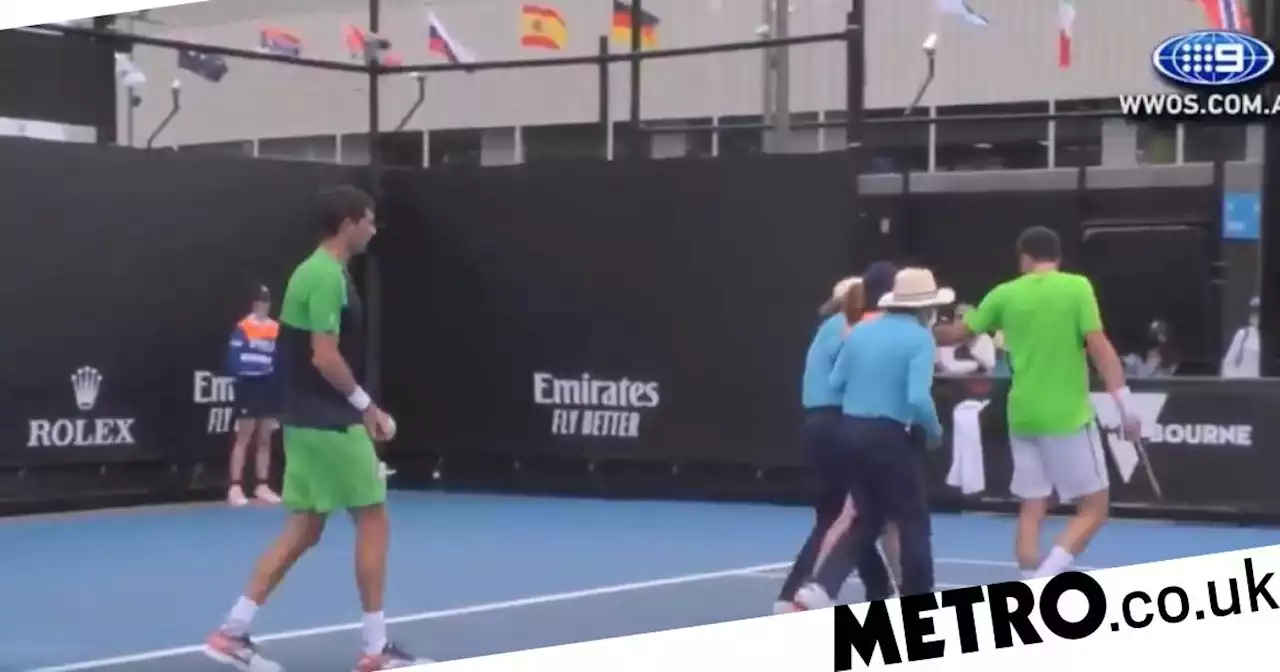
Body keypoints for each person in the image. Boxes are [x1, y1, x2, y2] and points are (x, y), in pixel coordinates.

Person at [204, 186, 420, 672]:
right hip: (329, 423)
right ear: (347, 224)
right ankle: (375, 648)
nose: (373, 228)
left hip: (305, 421)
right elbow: (323, 356)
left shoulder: (316, 271)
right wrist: (367, 407)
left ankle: (232, 632)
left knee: (304, 529)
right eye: (368, 220)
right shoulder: (324, 276)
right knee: (373, 519)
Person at [934, 226, 1139, 579]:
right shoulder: (1077, 287)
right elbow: (1100, 349)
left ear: (1024, 258)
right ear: (1057, 257)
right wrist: (1127, 409)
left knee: (1033, 504)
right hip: (1066, 416)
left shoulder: (1004, 293)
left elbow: (957, 334)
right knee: (1094, 508)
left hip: (1023, 417)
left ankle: (1028, 577)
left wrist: (925, 323)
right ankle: (1045, 579)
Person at [794, 267, 952, 608]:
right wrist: (935, 430)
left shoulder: (863, 331)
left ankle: (821, 586)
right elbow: (918, 398)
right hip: (889, 435)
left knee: (866, 517)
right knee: (912, 520)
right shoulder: (920, 338)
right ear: (925, 307)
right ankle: (919, 598)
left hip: (849, 431)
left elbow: (836, 381)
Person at [775, 263, 900, 612]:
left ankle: (878, 588)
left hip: (817, 426)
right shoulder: (854, 329)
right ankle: (792, 596)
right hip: (839, 424)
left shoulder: (829, 327)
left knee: (842, 516)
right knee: (852, 516)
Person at [225, 285, 283, 507]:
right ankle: (235, 486)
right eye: (259, 302)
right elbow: (233, 359)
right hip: (248, 386)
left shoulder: (275, 329)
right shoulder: (243, 327)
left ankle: (262, 485)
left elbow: (278, 358)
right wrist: (252, 371)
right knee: (244, 437)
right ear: (253, 304)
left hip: (267, 388)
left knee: (265, 438)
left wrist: (272, 375)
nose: (262, 305)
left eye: (266, 302)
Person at [1222, 296, 1260, 378]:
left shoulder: (1272, 338)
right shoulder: (1243, 334)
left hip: (1265, 386)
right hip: (1245, 384)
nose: (1257, 318)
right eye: (1254, 315)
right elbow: (1228, 363)